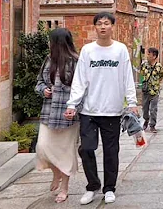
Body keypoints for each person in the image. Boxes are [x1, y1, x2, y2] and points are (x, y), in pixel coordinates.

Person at [64, 12, 138, 205]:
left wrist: (132, 102)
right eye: (99, 24)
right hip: (89, 110)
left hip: (112, 111)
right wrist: (72, 104)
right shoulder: (88, 51)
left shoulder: (120, 50)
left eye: (106, 23)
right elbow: (80, 79)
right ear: (94, 27)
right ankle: (93, 185)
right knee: (86, 148)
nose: (103, 27)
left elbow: (127, 77)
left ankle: (109, 188)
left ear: (112, 26)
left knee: (111, 151)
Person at [34, 28, 79, 204]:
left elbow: (82, 88)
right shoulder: (48, 60)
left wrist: (75, 107)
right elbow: (38, 83)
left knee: (66, 152)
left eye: (51, 40)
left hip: (68, 115)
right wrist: (43, 90)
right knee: (42, 147)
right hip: (48, 113)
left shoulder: (76, 61)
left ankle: (65, 188)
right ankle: (56, 173)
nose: (48, 43)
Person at [140, 47, 163, 133]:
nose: (147, 56)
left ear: (154, 56)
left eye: (149, 54)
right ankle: (146, 119)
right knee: (145, 109)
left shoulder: (159, 66)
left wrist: (156, 84)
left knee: (153, 109)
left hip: (155, 91)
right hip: (146, 91)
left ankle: (152, 125)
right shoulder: (144, 65)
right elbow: (142, 74)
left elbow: (161, 76)